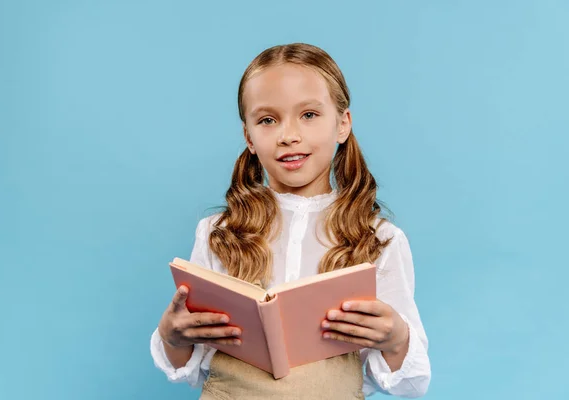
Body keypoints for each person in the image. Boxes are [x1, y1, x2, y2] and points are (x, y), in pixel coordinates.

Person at [150, 42, 431, 399]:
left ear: (342, 123)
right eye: (268, 120)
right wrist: (172, 335)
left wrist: (395, 337)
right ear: (249, 136)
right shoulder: (220, 233)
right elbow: (184, 365)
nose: (288, 135)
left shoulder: (378, 239)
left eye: (309, 115)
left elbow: (413, 381)